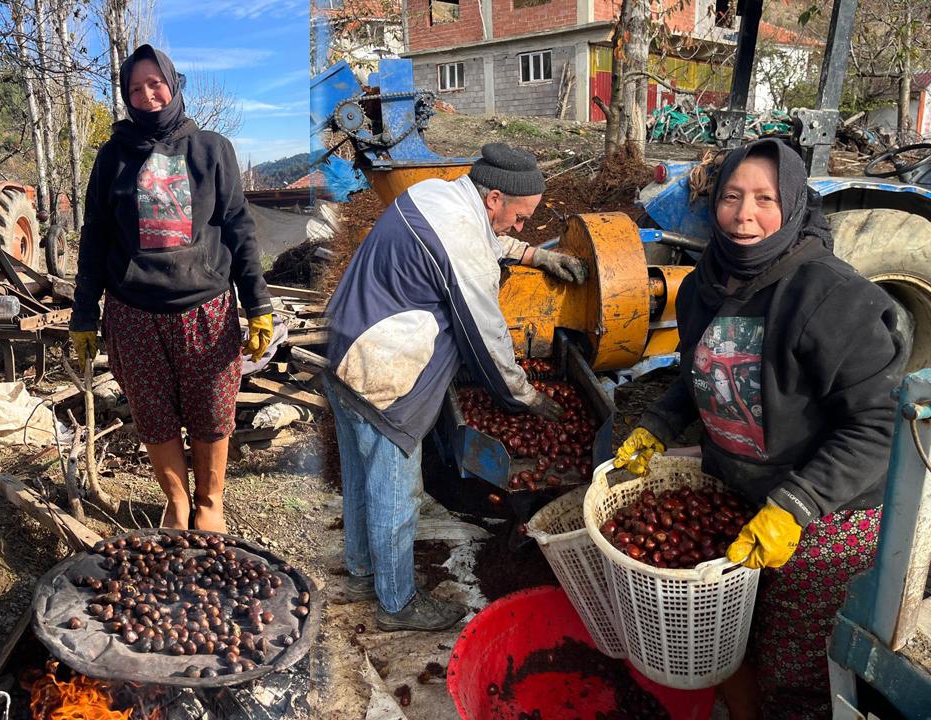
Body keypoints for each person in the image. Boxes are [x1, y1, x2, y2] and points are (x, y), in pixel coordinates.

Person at [613, 139, 903, 718]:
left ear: (793, 204)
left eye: (765, 198)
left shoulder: (834, 296)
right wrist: (658, 424)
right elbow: (699, 372)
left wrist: (798, 503)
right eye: (731, 197)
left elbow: (879, 423)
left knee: (795, 663)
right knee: (731, 642)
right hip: (739, 495)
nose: (744, 215)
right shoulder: (702, 285)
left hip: (825, 514)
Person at [324, 144, 588, 632]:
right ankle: (397, 605)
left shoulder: (435, 194)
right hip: (381, 368)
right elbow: (488, 337)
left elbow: (476, 240)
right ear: (493, 199)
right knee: (396, 493)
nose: (522, 227)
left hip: (345, 344)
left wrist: (534, 256)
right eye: (522, 218)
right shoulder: (464, 238)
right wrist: (525, 396)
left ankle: (363, 574)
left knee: (360, 478)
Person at [67, 44, 273, 534]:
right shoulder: (113, 157)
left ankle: (210, 503)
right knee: (154, 417)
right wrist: (83, 314)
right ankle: (178, 503)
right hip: (133, 314)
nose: (148, 95)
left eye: (155, 83)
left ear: (173, 84)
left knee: (211, 413)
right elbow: (94, 237)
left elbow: (239, 229)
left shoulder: (211, 150)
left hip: (205, 310)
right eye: (135, 89)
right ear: (125, 96)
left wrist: (258, 304)